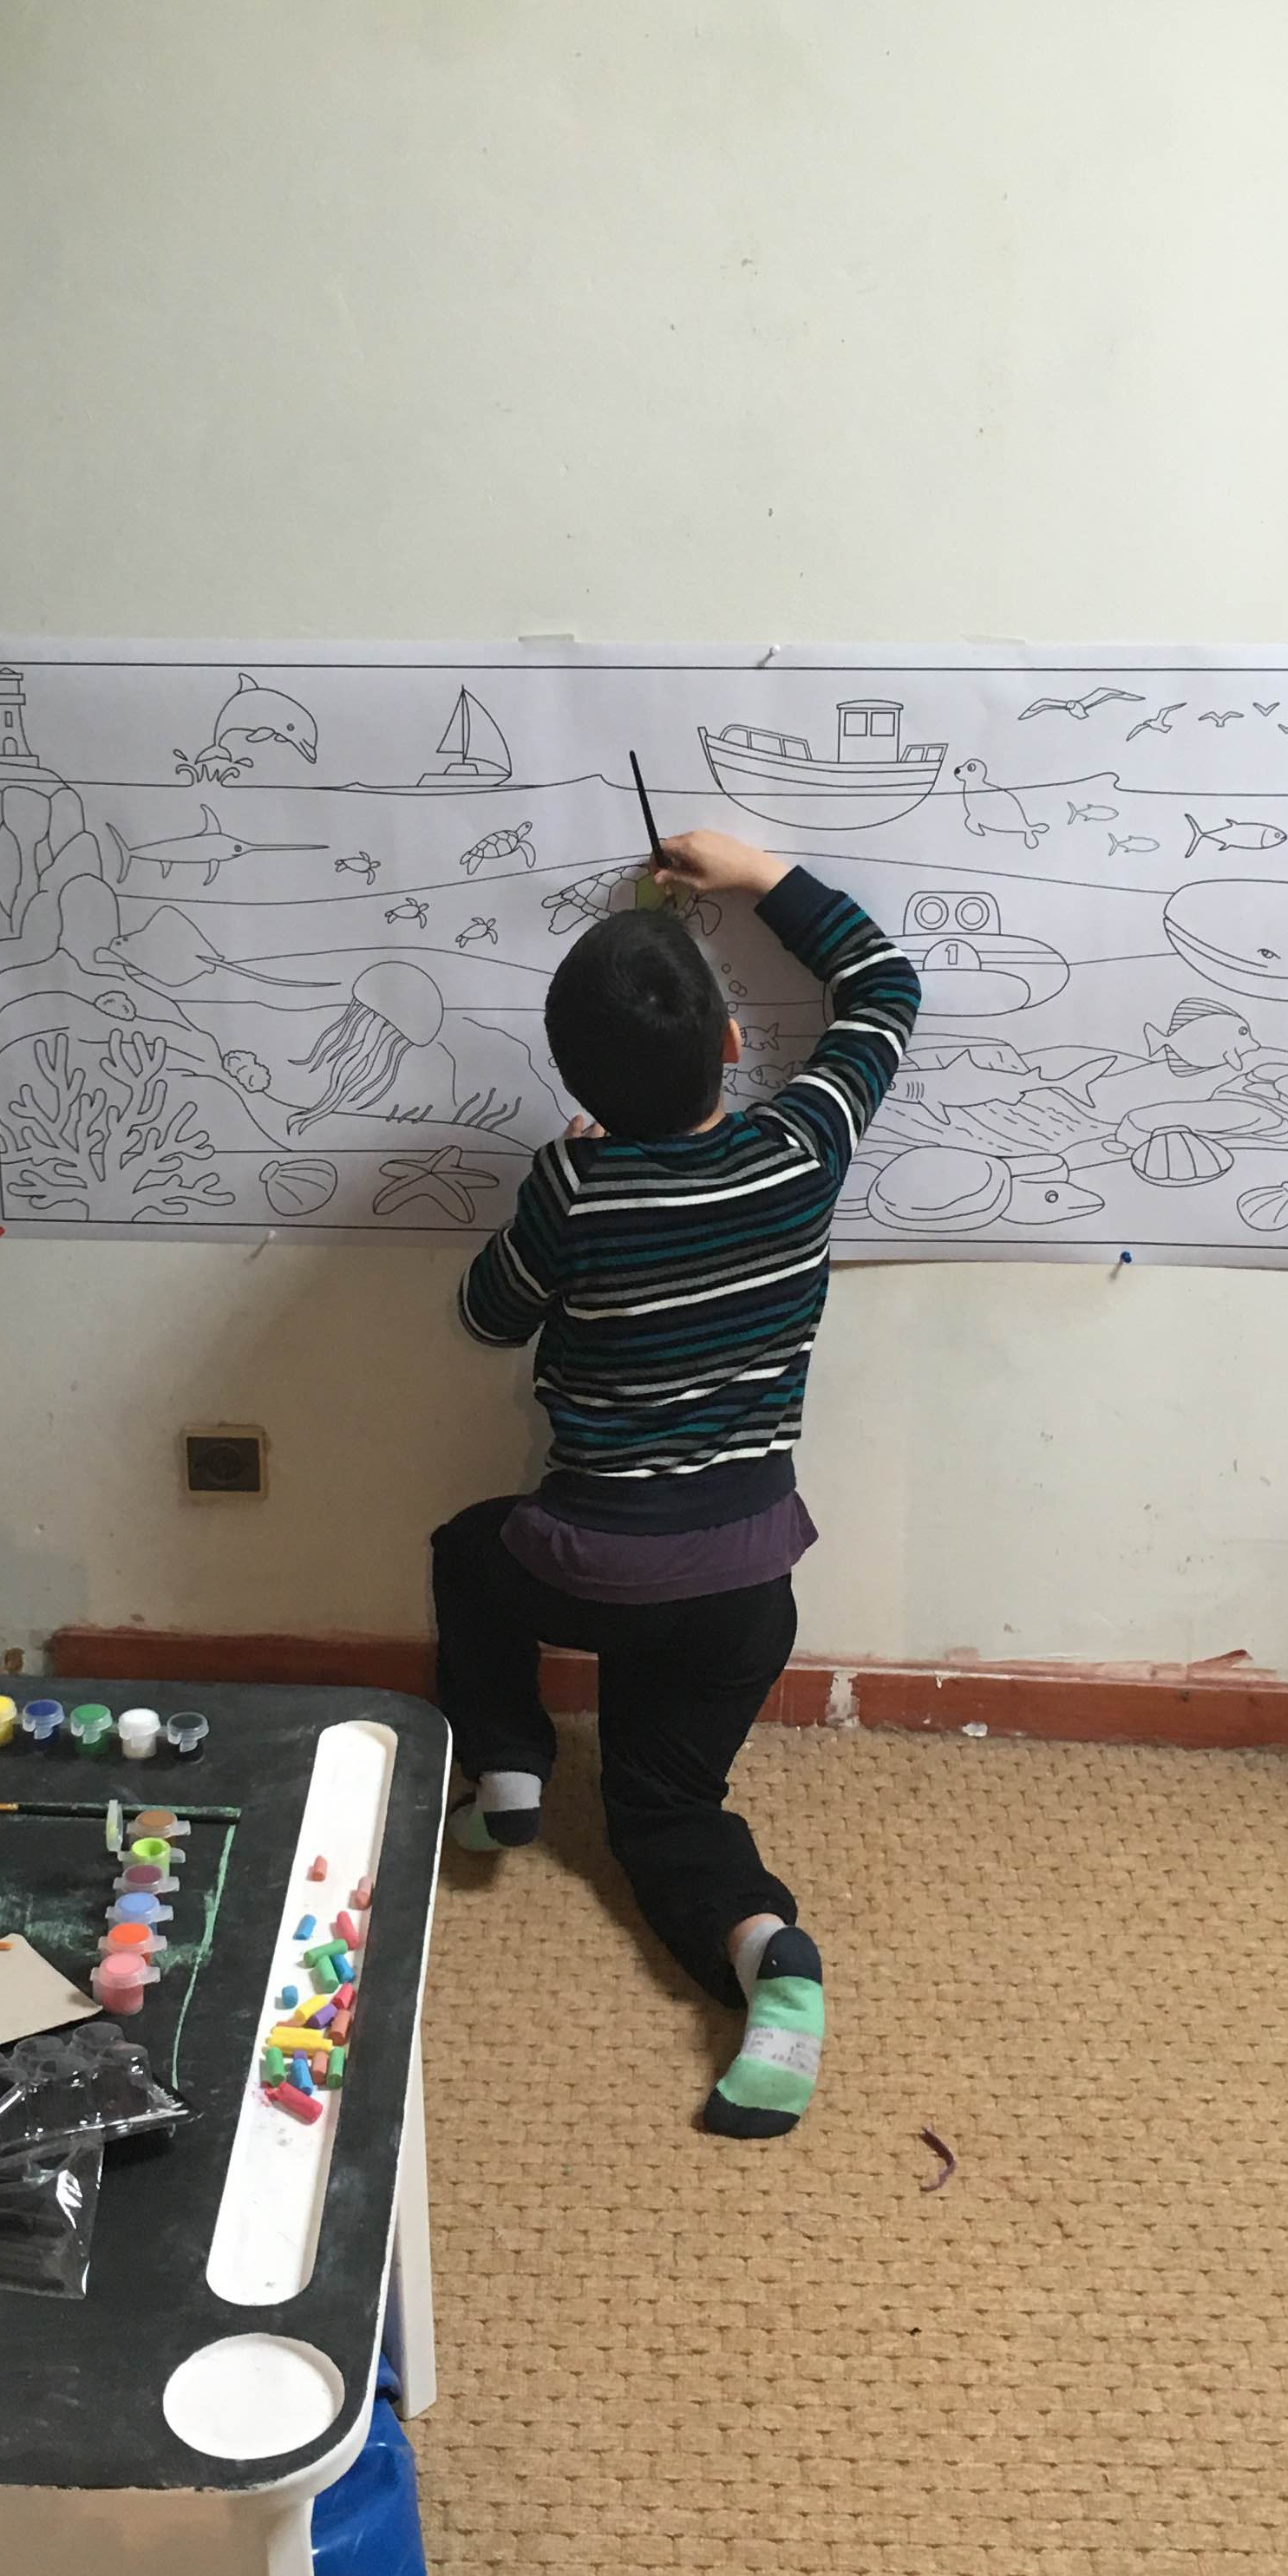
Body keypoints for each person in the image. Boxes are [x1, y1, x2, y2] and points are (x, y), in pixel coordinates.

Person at [433, 828, 921, 2136]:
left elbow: (486, 1317)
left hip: (583, 1571)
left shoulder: (575, 1183)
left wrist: (570, 1167)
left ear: (574, 1081)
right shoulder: (802, 1149)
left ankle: (509, 1770)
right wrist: (761, 879)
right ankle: (768, 1954)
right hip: (746, 1588)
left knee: (467, 1552)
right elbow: (885, 988)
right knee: (663, 1813)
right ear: (731, 1045)